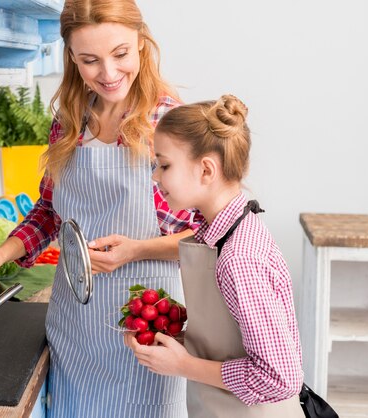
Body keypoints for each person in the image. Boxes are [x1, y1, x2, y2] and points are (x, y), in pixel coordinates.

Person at [0, 1, 202, 416]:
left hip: (147, 326)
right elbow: (49, 212)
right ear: (71, 57)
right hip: (77, 329)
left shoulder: (168, 121)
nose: (108, 74)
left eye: (120, 54)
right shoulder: (71, 120)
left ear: (142, 44)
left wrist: (136, 250)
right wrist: (1, 253)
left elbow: (208, 235)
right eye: (90, 60)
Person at [125, 95, 305, 417]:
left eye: (164, 165)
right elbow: (232, 335)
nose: (155, 176)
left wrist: (183, 365)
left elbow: (279, 378)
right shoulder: (218, 234)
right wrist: (174, 335)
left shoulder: (239, 257)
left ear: (206, 169)